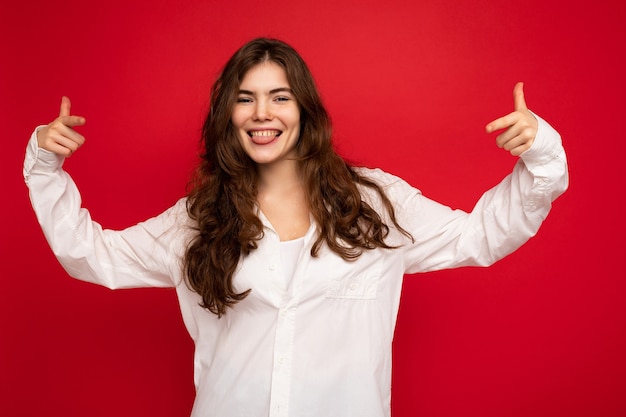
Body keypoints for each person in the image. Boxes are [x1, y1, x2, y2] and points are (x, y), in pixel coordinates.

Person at [23, 38, 568, 417]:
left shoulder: (375, 203)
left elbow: (482, 235)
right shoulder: (199, 220)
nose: (263, 113)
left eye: (279, 97)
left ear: (304, 109)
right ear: (228, 115)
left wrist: (539, 153)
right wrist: (44, 166)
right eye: (246, 98)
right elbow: (91, 255)